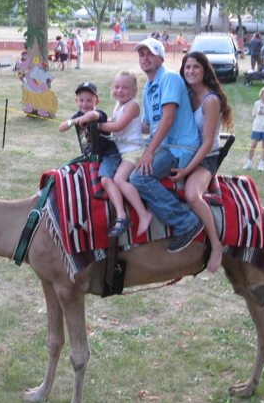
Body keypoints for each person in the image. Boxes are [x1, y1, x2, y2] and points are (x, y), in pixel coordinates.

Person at [130, 38, 203, 252]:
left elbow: (168, 118)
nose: (145, 58)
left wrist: (149, 152)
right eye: (141, 54)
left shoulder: (169, 78)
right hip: (163, 145)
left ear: (160, 58)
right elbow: (147, 125)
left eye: (149, 53)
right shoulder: (148, 87)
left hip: (180, 148)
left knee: (139, 177)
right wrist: (113, 126)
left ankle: (186, 222)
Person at [175, 51, 234, 272]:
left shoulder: (211, 101)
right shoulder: (187, 95)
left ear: (205, 70)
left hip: (205, 159)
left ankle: (216, 245)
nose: (190, 71)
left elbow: (208, 143)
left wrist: (186, 170)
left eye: (195, 67)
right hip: (185, 153)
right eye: (187, 67)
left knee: (191, 194)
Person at [96, 71, 153, 237]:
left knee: (119, 179)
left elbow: (118, 127)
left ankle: (143, 213)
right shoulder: (119, 104)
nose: (120, 90)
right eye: (117, 86)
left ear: (134, 91)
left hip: (133, 152)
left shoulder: (132, 105)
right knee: (107, 178)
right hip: (120, 151)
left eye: (125, 88)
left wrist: (96, 125)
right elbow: (113, 122)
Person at [58, 82, 121, 224]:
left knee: (105, 179)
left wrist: (80, 120)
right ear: (76, 101)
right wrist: (74, 120)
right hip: (91, 156)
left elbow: (92, 115)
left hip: (109, 155)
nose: (85, 104)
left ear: (96, 102)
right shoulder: (78, 115)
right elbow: (61, 127)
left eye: (89, 101)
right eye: (81, 100)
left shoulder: (99, 114)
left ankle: (119, 212)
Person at [243, 86, 264, 171]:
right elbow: (254, 115)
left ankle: (261, 164)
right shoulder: (257, 103)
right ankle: (249, 163)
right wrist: (258, 122)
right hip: (257, 127)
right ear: (261, 94)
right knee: (253, 145)